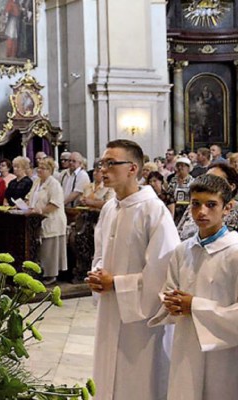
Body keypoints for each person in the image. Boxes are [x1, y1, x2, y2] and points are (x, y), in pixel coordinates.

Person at [86, 139, 180, 400]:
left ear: (133, 168)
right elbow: (100, 253)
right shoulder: (109, 208)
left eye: (111, 163)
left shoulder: (153, 210)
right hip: (110, 308)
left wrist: (116, 282)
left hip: (140, 318)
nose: (103, 170)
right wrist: (96, 274)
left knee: (137, 379)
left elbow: (164, 271)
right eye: (101, 163)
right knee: (107, 375)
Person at [149, 174, 238, 400]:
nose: (202, 212)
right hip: (186, 345)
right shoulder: (183, 250)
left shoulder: (235, 252)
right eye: (196, 204)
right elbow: (170, 289)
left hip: (224, 353)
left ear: (227, 208)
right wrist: (171, 302)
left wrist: (194, 306)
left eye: (211, 205)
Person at [24, 158, 67, 285]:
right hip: (36, 219)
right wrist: (25, 205)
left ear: (50, 170)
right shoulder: (37, 182)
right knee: (40, 248)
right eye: (39, 167)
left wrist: (40, 210)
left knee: (50, 248)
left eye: (43, 168)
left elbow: (55, 204)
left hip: (51, 220)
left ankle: (50, 274)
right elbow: (29, 197)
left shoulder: (54, 184)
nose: (40, 170)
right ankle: (40, 271)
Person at [176, 163, 238, 241]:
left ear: (232, 186)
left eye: (216, 181)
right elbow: (178, 231)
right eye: (206, 179)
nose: (208, 184)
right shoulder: (195, 206)